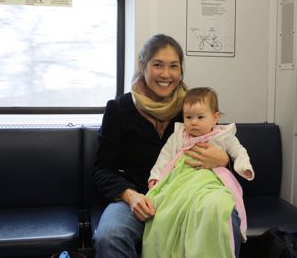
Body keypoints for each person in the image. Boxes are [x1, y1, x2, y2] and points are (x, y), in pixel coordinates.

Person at [91, 34, 234, 258]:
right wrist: (130, 196)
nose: (166, 74)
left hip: (187, 198)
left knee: (225, 217)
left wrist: (224, 159)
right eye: (158, 65)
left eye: (173, 66)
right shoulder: (118, 110)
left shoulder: (193, 106)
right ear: (142, 66)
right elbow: (102, 170)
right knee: (109, 235)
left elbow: (227, 146)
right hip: (136, 199)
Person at [142, 87, 254, 258]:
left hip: (211, 181)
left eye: (200, 117)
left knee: (220, 205)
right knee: (164, 210)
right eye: (188, 117)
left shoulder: (223, 136)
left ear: (215, 118)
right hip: (180, 181)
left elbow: (239, 152)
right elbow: (164, 158)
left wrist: (243, 167)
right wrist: (155, 177)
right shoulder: (179, 136)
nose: (193, 122)